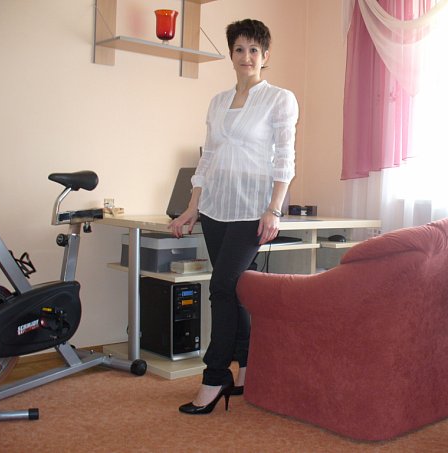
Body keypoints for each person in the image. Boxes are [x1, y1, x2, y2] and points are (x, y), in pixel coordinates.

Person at [168, 18, 298, 415]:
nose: (246, 56)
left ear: (265, 55)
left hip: (252, 209)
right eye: (239, 49)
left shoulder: (279, 99)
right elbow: (207, 158)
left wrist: (274, 209)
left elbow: (284, 159)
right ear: (231, 54)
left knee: (221, 287)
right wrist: (192, 206)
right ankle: (247, 369)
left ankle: (215, 375)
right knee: (237, 289)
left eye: (254, 50)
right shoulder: (218, 101)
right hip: (216, 208)